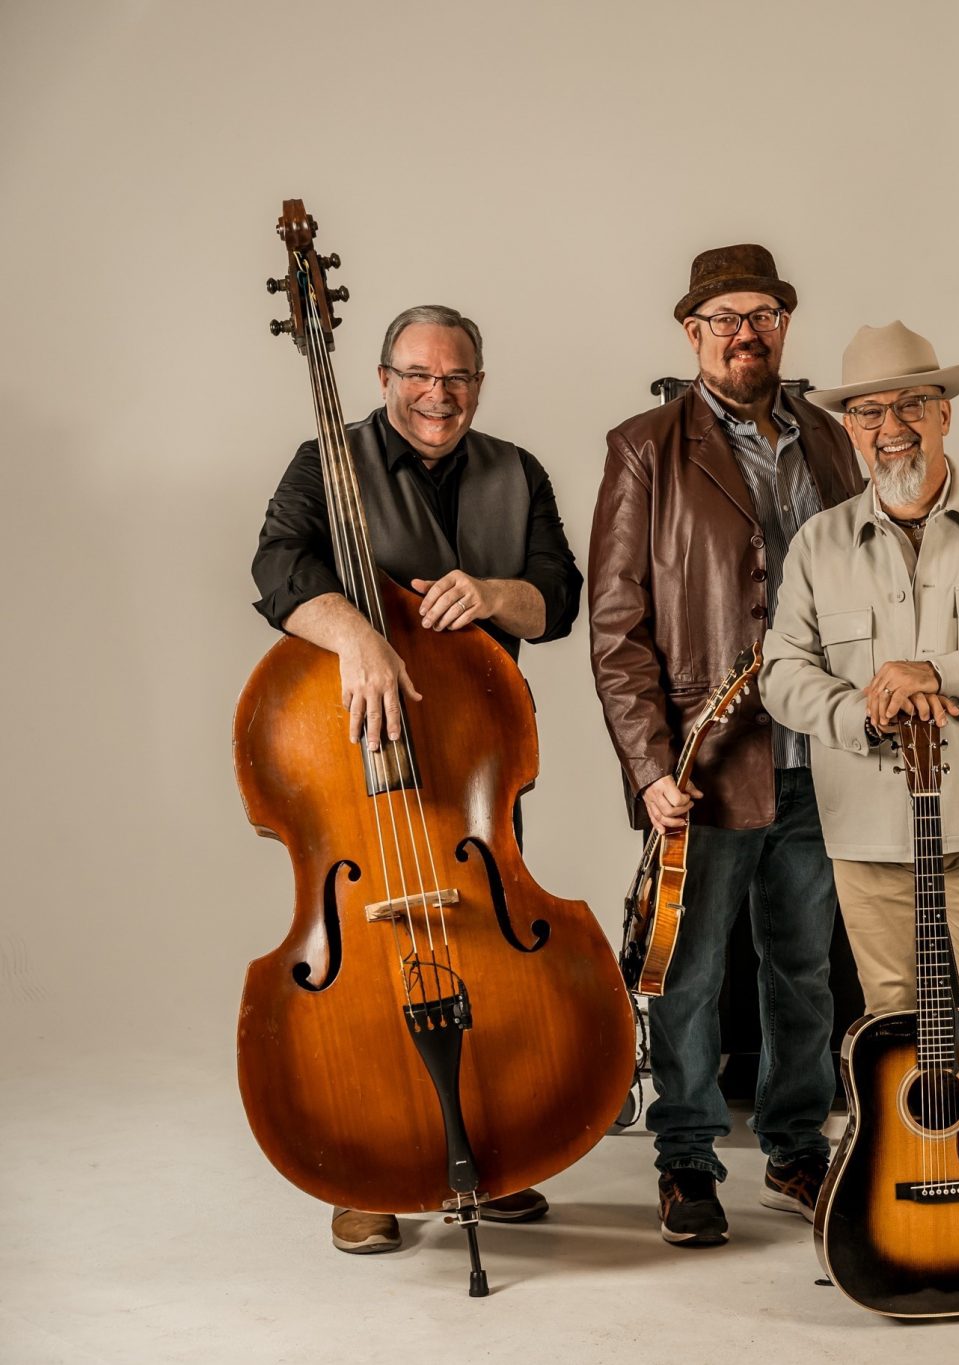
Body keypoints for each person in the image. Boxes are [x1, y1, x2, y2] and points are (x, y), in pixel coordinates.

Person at [250, 303, 583, 1254]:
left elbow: (558, 598)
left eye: (457, 377)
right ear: (384, 377)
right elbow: (277, 568)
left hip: (477, 753)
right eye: (419, 375)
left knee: (484, 951)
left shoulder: (518, 472)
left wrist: (494, 593)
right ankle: (375, 1171)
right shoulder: (326, 461)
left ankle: (492, 1151)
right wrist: (358, 636)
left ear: (478, 382)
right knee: (376, 963)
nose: (438, 394)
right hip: (364, 757)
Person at [761, 321, 959, 1294]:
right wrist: (858, 711)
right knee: (893, 1026)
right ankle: (902, 1208)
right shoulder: (819, 543)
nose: (889, 425)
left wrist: (940, 672)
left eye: (910, 404)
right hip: (867, 831)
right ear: (849, 428)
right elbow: (782, 672)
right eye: (868, 411)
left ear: (944, 413)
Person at [586, 245, 863, 1247]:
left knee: (804, 969)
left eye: (764, 316)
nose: (747, 334)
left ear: (783, 326)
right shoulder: (643, 447)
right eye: (726, 319)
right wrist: (648, 767)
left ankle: (794, 1151)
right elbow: (615, 625)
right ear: (693, 333)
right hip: (702, 765)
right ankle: (688, 1161)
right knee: (689, 971)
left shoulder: (830, 438)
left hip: (820, 755)